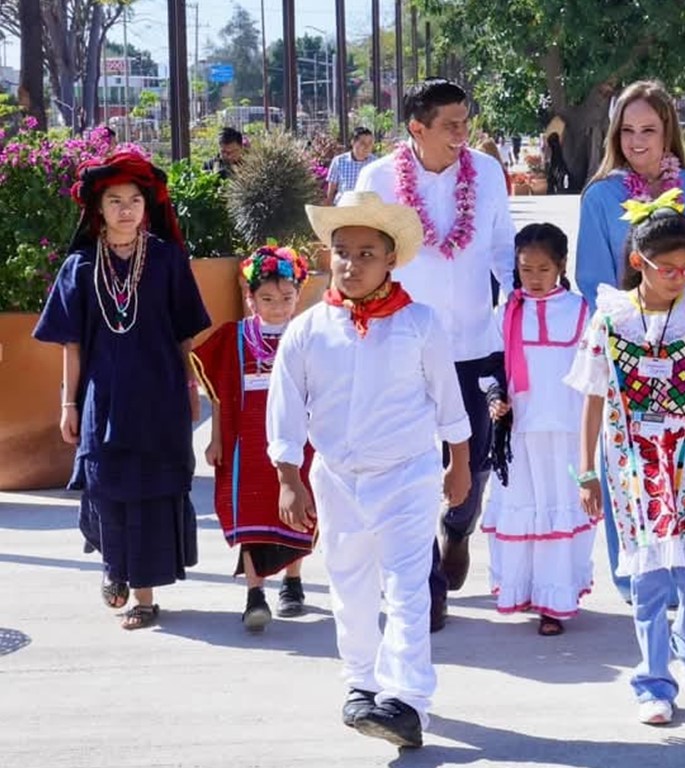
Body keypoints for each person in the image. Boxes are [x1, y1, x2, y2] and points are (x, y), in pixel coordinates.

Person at [268, 191, 473, 748]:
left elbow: (448, 401)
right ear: (326, 256)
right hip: (336, 478)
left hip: (407, 475)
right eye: (341, 252)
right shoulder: (309, 329)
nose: (351, 264)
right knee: (349, 580)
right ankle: (360, 684)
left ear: (389, 260)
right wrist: (288, 476)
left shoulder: (419, 323)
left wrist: (460, 465)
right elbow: (285, 405)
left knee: (407, 586)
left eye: (365, 253)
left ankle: (406, 701)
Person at [567, 192, 685, 725]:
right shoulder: (609, 319)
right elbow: (593, 398)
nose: (678, 277)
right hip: (631, 467)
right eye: (665, 268)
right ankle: (652, 681)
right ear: (636, 264)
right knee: (647, 575)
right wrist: (587, 471)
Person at [354, 79, 516, 627]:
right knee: (413, 469)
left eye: (466, 123)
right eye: (451, 125)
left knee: (476, 458)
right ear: (416, 129)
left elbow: (503, 253)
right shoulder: (378, 180)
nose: (462, 135)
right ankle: (426, 583)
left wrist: (530, 311)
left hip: (474, 346)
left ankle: (459, 530)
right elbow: (356, 261)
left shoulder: (488, 174)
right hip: (403, 348)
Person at [33, 151, 212, 630]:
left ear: (146, 207)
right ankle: (114, 568)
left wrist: (191, 383)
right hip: (102, 395)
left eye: (135, 200)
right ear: (99, 209)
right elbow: (70, 340)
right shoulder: (80, 267)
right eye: (115, 201)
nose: (127, 210)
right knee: (105, 487)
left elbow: (184, 333)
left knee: (151, 491)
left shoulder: (168, 260)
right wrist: (68, 402)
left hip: (160, 393)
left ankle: (145, 596)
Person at [576, 79, 685, 605]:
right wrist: (636, 330)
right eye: (627, 131)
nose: (638, 141)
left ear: (669, 130)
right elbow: (593, 281)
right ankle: (641, 579)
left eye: (649, 128)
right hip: (629, 352)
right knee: (633, 471)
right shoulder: (599, 198)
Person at [192, 245, 315, 631]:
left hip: (298, 443)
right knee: (250, 513)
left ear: (298, 296)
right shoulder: (236, 337)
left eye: (286, 298)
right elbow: (219, 392)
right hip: (246, 443)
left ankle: (292, 582)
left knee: (297, 512)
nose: (277, 306)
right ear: (249, 300)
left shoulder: (306, 335)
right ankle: (254, 594)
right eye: (267, 299)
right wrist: (216, 440)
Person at [482, 223, 594, 636]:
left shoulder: (583, 312)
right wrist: (496, 397)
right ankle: (525, 591)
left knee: (559, 514)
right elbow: (491, 365)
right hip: (520, 434)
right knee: (524, 511)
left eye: (543, 269)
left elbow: (596, 371)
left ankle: (556, 601)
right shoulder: (506, 312)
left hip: (566, 432)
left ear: (561, 266)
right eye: (525, 269)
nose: (533, 278)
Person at [325, 127, 378, 205]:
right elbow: (332, 187)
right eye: (362, 143)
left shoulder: (375, 162)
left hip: (366, 207)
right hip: (343, 206)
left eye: (370, 143)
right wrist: (328, 206)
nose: (367, 147)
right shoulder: (339, 161)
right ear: (353, 142)